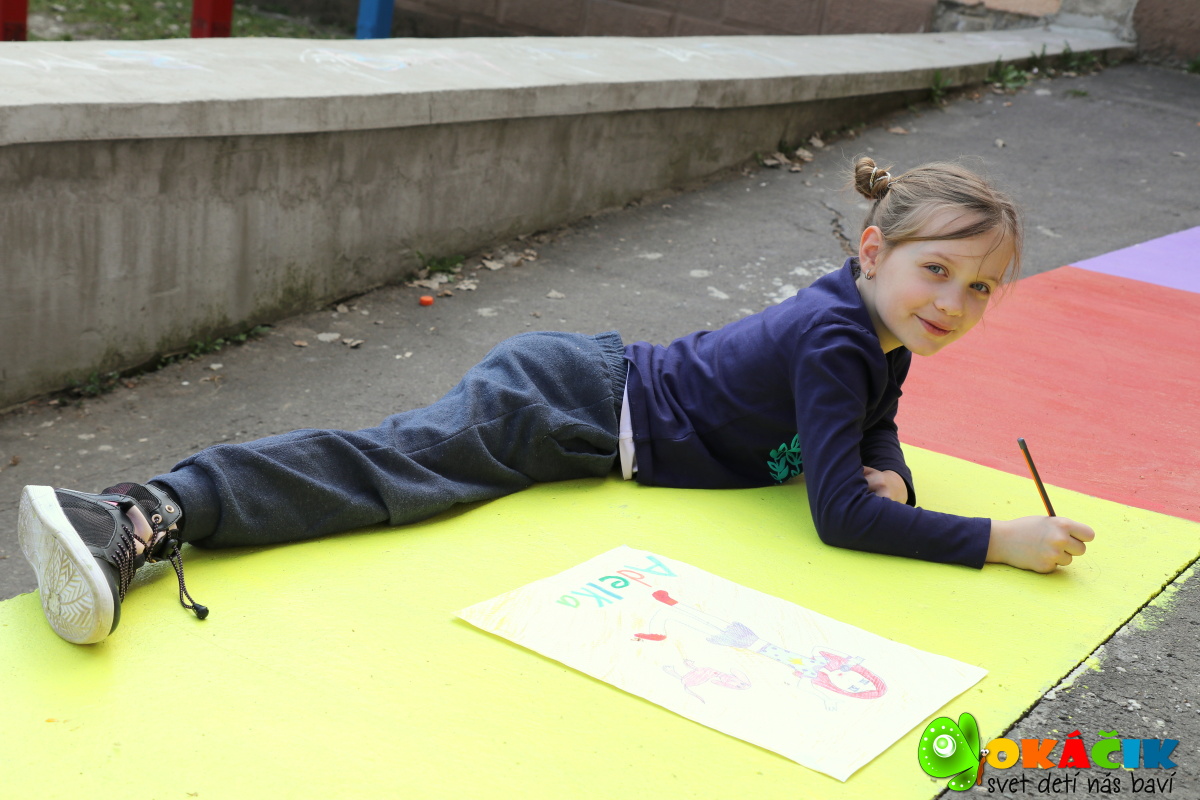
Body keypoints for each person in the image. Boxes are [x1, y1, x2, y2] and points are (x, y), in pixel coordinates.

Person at [17, 156, 1095, 645]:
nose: (952, 303)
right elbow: (840, 516)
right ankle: (141, 513)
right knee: (392, 472)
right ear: (872, 251)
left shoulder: (878, 332)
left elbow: (872, 423)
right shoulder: (836, 336)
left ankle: (149, 510)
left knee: (401, 470)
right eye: (937, 272)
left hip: (588, 403)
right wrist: (994, 539)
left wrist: (889, 463)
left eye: (980, 289)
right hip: (568, 404)